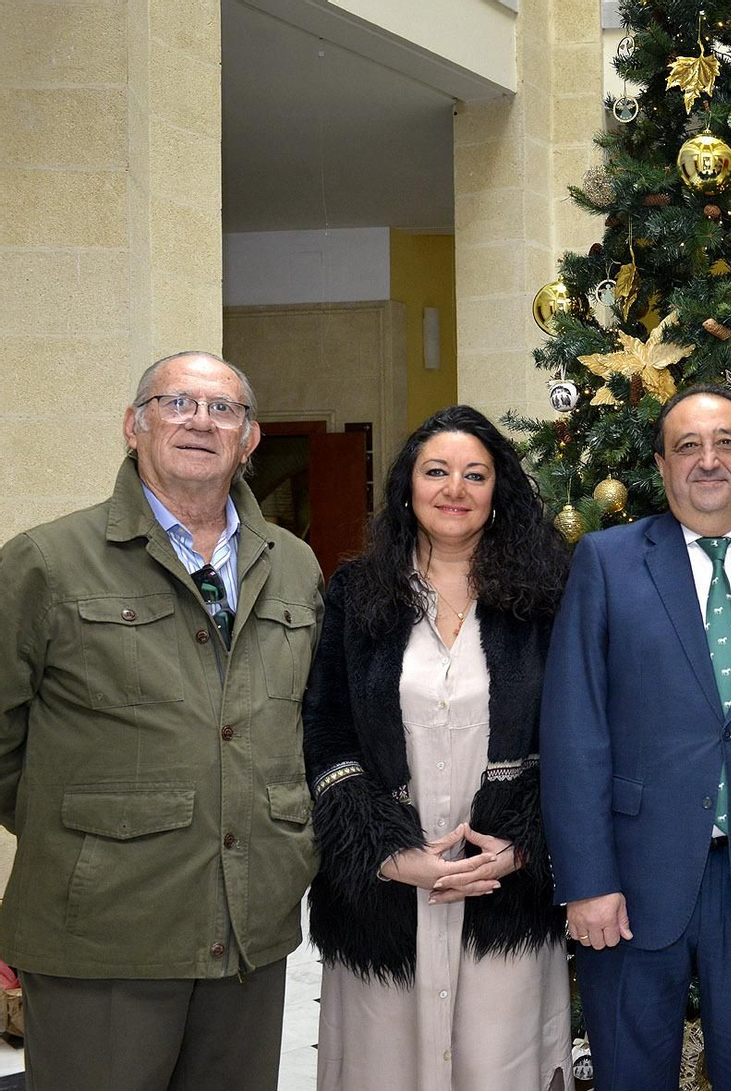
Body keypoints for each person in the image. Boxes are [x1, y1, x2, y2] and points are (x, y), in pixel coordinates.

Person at [0, 351, 323, 1090]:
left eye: (223, 409)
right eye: (176, 402)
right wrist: (91, 831)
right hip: (104, 934)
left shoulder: (297, 566)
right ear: (133, 425)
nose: (200, 421)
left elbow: (300, 726)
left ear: (250, 439)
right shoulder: (47, 563)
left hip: (249, 931)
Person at [540, 385, 731, 1089]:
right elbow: (574, 729)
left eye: (726, 443)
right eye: (687, 445)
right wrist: (586, 879)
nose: (707, 460)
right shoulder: (606, 561)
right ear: (660, 465)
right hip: (628, 881)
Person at [302, 405, 571, 1090]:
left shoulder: (546, 598)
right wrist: (391, 855)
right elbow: (325, 728)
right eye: (437, 471)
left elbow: (573, 736)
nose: (455, 488)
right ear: (407, 487)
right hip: (383, 896)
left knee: (500, 1064)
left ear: (498, 491)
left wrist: (519, 846)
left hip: (503, 890)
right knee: (381, 1068)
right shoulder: (355, 594)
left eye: (475, 474)